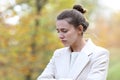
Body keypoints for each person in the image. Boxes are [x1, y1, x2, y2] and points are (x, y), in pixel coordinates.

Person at [37, 4, 109, 80]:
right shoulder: (58, 54)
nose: (60, 36)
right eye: (58, 31)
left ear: (80, 29)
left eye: (64, 31)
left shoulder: (99, 54)